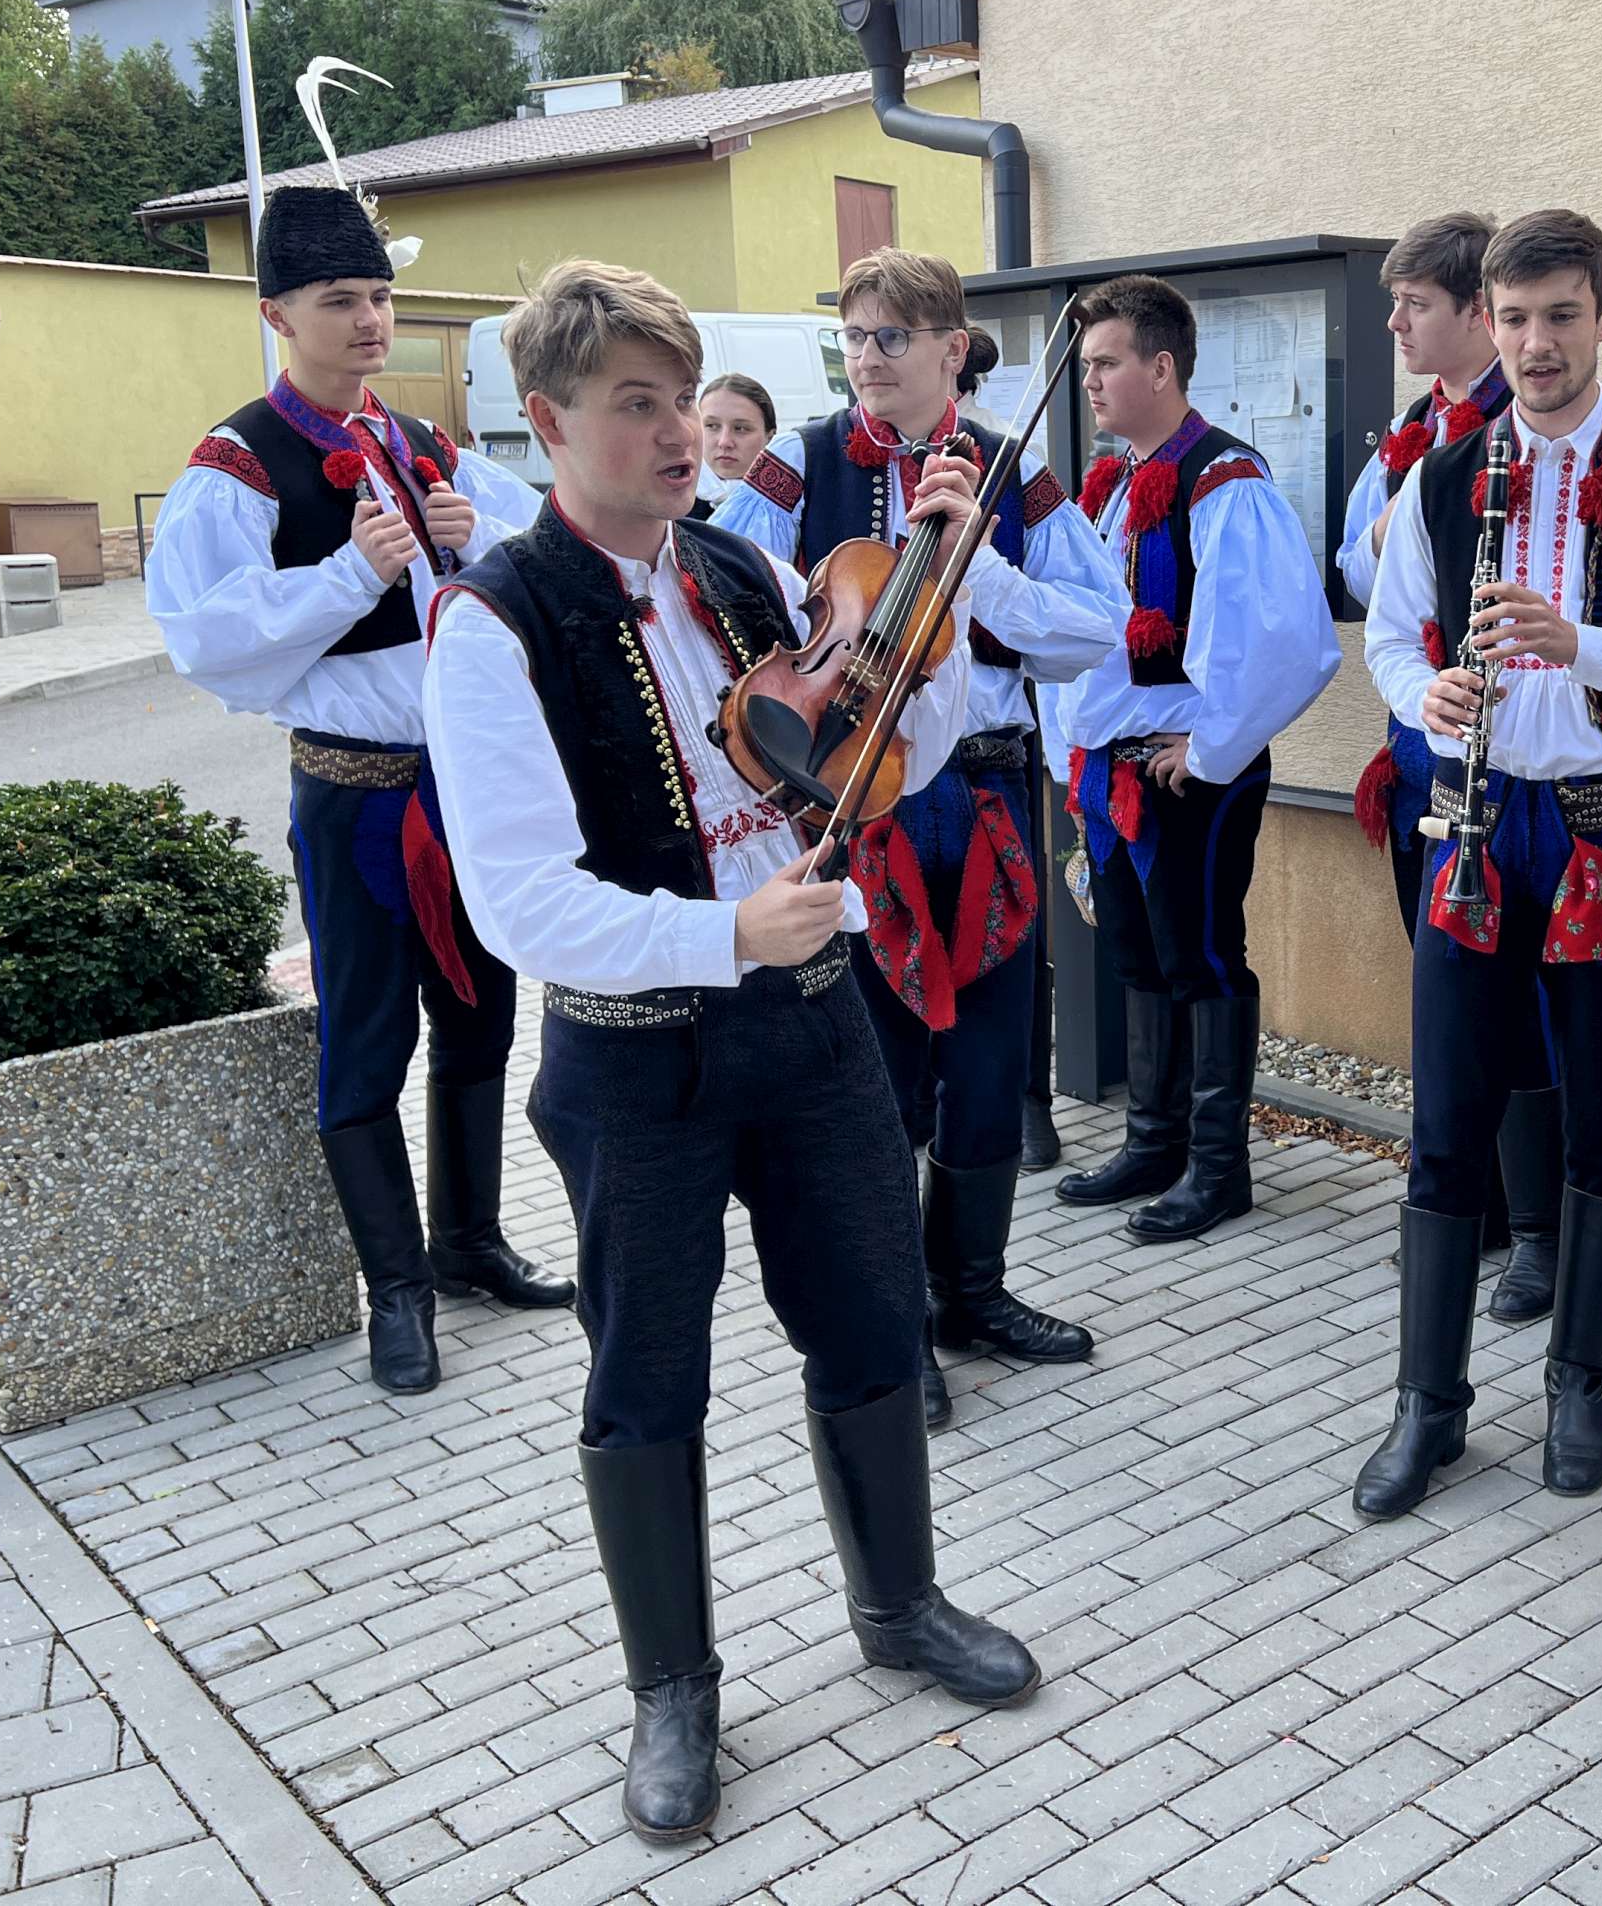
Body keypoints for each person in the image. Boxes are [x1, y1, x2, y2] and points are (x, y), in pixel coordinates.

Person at [424, 260, 1038, 1846]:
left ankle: (899, 1603)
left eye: (682, 398)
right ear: (548, 419)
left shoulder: (749, 569)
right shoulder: (494, 621)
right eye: (636, 404)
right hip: (637, 1055)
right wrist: (723, 935)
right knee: (646, 1370)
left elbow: (892, 749)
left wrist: (937, 605)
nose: (676, 431)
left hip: (816, 1021)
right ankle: (673, 1687)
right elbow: (516, 903)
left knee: (871, 1314)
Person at [1356, 208, 1602, 1518]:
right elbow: (1390, 642)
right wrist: (1424, 695)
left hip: (1601, 829)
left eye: (1563, 316)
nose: (1537, 344)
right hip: (1469, 822)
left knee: (1599, 1113)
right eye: (1517, 318)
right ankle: (1427, 1407)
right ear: (1491, 319)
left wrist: (1581, 644)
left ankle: (1578, 1383)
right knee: (1444, 1120)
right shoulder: (1439, 475)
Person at [146, 183, 565, 1397]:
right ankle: (396, 1292)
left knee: (481, 1015)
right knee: (368, 1040)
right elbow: (204, 638)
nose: (371, 320)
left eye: (380, 296)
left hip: (459, 787)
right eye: (341, 300)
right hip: (356, 795)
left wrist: (476, 540)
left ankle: (469, 1242)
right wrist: (345, 574)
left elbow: (541, 550)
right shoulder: (238, 464)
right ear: (278, 314)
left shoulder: (424, 443)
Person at [719, 255, 1124, 1432]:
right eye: (854, 336)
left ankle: (973, 1292)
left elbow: (1095, 628)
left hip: (987, 788)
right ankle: (894, 1319)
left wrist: (980, 569)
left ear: (954, 348)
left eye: (892, 336)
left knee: (990, 1064)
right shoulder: (802, 461)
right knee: (879, 1081)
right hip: (858, 798)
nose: (868, 357)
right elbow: (722, 588)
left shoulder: (1014, 467)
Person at [1045, 273, 1341, 1244]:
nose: (1089, 382)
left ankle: (1219, 1170)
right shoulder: (1114, 484)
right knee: (1138, 955)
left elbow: (1282, 640)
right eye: (1086, 365)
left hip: (1186, 775)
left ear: (1162, 367)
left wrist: (1210, 747)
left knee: (1203, 958)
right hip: (1114, 770)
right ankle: (1153, 1142)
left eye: (1105, 363)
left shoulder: (1226, 480)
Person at [1340, 211, 1567, 1325]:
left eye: (1414, 304)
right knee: (1449, 994)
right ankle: (1470, 1202)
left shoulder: (1520, 435)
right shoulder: (1415, 433)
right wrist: (1397, 533)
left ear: (1479, 314)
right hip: (1427, 755)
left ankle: (1539, 1227)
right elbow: (1361, 559)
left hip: (1526, 765)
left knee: (1520, 1004)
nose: (1395, 324)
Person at [692, 373, 775, 512]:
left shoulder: (791, 507)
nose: (724, 442)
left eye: (741, 428)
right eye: (712, 426)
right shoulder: (671, 502)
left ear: (769, 438)